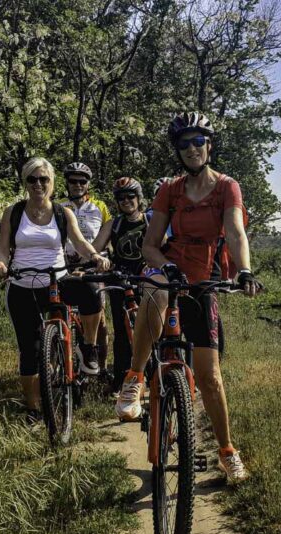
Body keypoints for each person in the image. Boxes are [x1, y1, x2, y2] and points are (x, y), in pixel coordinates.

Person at [115, 112, 263, 484]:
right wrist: (165, 266)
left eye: (198, 141)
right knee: (153, 294)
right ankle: (134, 378)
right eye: (184, 143)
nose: (192, 149)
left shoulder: (228, 187)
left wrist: (244, 270)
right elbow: (150, 245)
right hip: (169, 267)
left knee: (210, 376)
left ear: (209, 146)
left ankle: (227, 451)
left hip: (205, 276)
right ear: (177, 151)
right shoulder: (171, 190)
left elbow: (235, 232)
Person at [0, 157, 111, 421]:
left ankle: (89, 348)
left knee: (91, 293)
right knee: (30, 349)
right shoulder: (13, 212)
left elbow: (80, 243)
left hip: (57, 280)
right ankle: (34, 409)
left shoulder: (62, 213)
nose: (38, 184)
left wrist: (95, 257)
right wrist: (0, 263)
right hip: (22, 283)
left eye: (43, 179)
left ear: (52, 182)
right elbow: (2, 246)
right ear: (25, 182)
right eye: (32, 179)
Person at [59, 162, 114, 377]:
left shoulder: (100, 206)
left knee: (98, 318)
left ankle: (101, 366)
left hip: (92, 264)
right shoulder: (59, 206)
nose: (77, 185)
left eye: (82, 181)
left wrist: (92, 258)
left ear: (88, 184)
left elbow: (104, 236)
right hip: (65, 265)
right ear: (67, 183)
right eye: (73, 181)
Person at [102, 176, 149, 394]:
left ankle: (152, 373)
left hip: (146, 278)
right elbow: (95, 247)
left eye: (131, 196)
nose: (126, 200)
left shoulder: (150, 221)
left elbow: (165, 247)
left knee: (149, 328)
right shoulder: (114, 224)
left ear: (139, 198)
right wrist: (95, 259)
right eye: (121, 197)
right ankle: (121, 378)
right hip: (119, 279)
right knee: (121, 330)